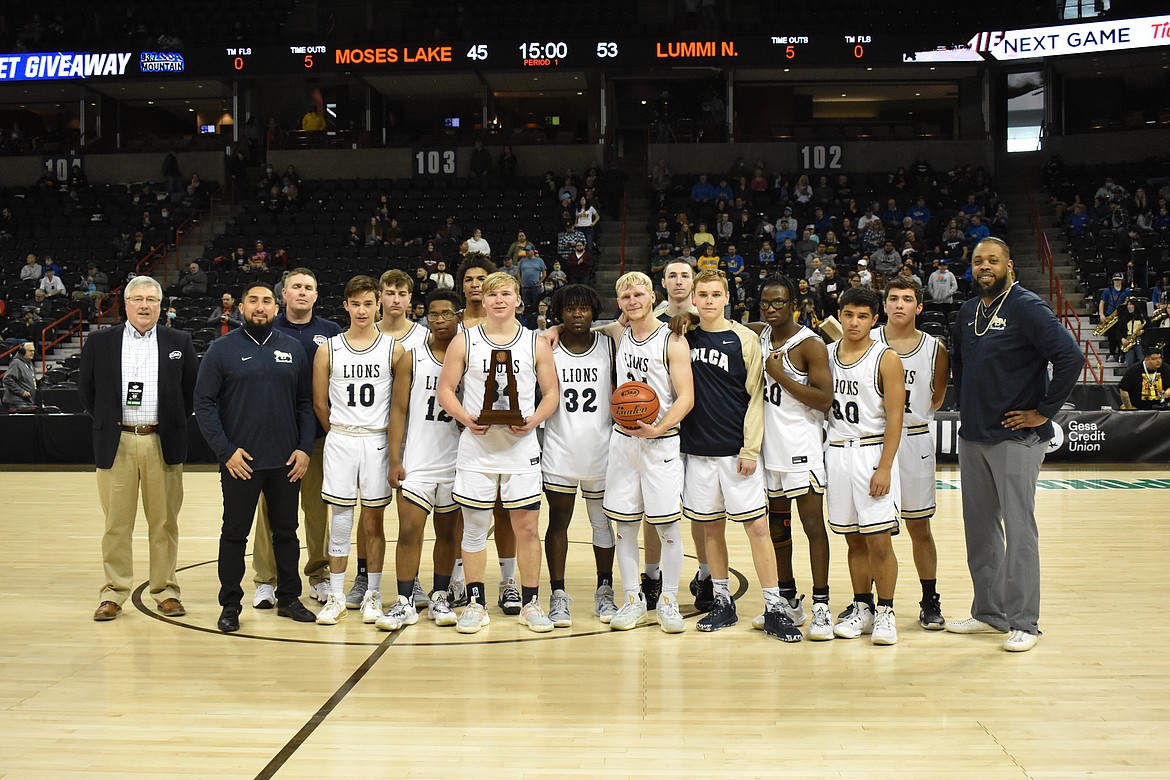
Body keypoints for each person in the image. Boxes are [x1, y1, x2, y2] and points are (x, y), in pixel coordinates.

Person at [948, 237, 1083, 652]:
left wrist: (1043, 411)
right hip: (973, 435)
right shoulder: (969, 312)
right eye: (977, 261)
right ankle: (989, 612)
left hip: (1016, 437)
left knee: (1020, 530)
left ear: (1009, 266)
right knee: (980, 530)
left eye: (993, 260)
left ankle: (1025, 621)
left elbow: (1070, 356)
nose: (984, 266)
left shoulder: (1026, 305)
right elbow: (961, 368)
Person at [678, 270, 800, 641]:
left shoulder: (745, 339)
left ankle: (775, 606)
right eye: (704, 294)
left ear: (727, 296)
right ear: (694, 299)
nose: (710, 300)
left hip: (737, 452)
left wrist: (750, 448)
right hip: (697, 451)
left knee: (757, 527)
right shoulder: (683, 336)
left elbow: (755, 399)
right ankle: (721, 601)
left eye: (717, 293)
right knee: (710, 527)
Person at [437, 272, 561, 634]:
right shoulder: (465, 340)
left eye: (506, 293)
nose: (499, 300)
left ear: (518, 299)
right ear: (484, 301)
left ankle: (530, 603)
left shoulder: (535, 342)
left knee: (526, 528)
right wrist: (465, 418)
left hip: (521, 448)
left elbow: (551, 392)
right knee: (474, 527)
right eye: (492, 295)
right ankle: (476, 603)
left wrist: (534, 420)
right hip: (477, 448)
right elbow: (446, 389)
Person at [194, 282, 317, 633]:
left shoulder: (292, 349)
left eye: (266, 301)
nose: (260, 307)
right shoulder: (221, 350)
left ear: (276, 309)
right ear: (240, 308)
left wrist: (304, 449)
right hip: (241, 462)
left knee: (287, 533)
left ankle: (290, 597)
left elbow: (305, 403)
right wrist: (226, 450)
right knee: (234, 534)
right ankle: (230, 604)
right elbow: (203, 404)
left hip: (285, 463)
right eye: (253, 301)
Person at [78, 276, 198, 621]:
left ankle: (165, 591)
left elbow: (189, 391)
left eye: (151, 299)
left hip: (162, 441)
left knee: (164, 523)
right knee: (116, 523)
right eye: (138, 299)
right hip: (117, 442)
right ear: (125, 304)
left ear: (161, 305)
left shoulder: (179, 340)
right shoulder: (101, 342)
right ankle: (114, 592)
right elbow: (87, 392)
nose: (145, 305)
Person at [594, 272, 694, 633]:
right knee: (624, 528)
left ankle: (667, 599)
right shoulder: (618, 335)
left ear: (653, 296)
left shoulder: (672, 340)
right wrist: (554, 329)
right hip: (623, 443)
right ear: (618, 303)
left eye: (638, 294)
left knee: (667, 526)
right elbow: (591, 328)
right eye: (625, 297)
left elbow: (686, 396)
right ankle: (633, 599)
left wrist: (661, 426)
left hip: (661, 443)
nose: (632, 301)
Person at [312, 276, 401, 627]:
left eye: (368, 303)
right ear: (345, 306)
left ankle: (373, 595)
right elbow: (320, 404)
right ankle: (335, 595)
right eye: (356, 304)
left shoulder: (393, 349)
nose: (362, 310)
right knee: (341, 521)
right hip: (342, 438)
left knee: (373, 521)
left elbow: (399, 404)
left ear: (377, 305)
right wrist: (339, 433)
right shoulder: (328, 349)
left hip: (377, 439)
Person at [250, 269, 342, 610]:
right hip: (271, 440)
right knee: (268, 513)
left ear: (316, 295)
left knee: (317, 510)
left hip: (316, 439)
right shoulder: (266, 330)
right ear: (283, 295)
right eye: (296, 287)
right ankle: (265, 580)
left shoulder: (331, 333)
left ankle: (318, 575)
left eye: (309, 288)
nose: (302, 293)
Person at [755, 275, 835, 640]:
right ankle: (788, 599)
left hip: (801, 448)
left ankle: (821, 605)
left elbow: (824, 399)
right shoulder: (760, 337)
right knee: (777, 529)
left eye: (779, 303)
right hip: (770, 450)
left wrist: (780, 375)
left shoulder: (810, 344)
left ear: (793, 305)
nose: (772, 309)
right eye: (766, 304)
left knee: (813, 526)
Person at [826, 286, 906, 646]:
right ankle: (863, 607)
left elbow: (895, 418)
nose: (854, 322)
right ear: (839, 314)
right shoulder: (827, 354)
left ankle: (887, 612)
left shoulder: (886, 358)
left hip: (872, 452)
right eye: (848, 314)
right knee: (852, 539)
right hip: (837, 452)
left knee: (878, 541)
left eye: (862, 316)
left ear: (875, 320)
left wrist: (885, 467)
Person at [384, 289, 465, 629]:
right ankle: (404, 600)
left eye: (447, 313)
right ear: (425, 317)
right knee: (410, 530)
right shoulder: (411, 358)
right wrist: (393, 458)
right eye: (433, 314)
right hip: (417, 459)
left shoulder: (470, 356)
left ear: (459, 315)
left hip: (456, 460)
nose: (440, 320)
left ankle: (441, 596)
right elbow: (398, 410)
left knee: (448, 535)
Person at [873, 277, 951, 629]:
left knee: (919, 527)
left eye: (907, 299)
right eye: (893, 298)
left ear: (919, 307)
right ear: (884, 305)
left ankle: (929, 598)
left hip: (915, 439)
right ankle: (871, 602)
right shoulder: (867, 340)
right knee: (871, 529)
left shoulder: (935, 348)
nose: (900, 304)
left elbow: (937, 397)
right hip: (874, 442)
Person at [541, 284, 617, 626]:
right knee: (559, 522)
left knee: (602, 522)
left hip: (602, 449)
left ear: (593, 311)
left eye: (583, 308)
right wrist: (550, 330)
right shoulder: (546, 347)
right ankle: (558, 594)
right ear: (560, 312)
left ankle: (605, 590)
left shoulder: (609, 344)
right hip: (559, 448)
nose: (576, 314)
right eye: (570, 309)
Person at [454, 254, 520, 612]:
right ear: (461, 284)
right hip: (458, 427)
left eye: (483, 278)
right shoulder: (453, 326)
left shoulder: (511, 324)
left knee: (504, 510)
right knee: (460, 511)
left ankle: (508, 581)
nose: (476, 284)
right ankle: (457, 576)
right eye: (469, 279)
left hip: (503, 430)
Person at [1118, 344, 1170, 410]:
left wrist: (1167, 393)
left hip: (1161, 408)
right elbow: (1123, 388)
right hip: (1139, 409)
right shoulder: (1134, 370)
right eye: (1154, 359)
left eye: (1160, 358)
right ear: (1146, 360)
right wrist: (1129, 407)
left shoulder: (1166, 368)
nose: (1158, 361)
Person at [1099, 273, 1132, 362]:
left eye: (1118, 280)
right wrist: (1101, 314)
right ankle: (1112, 354)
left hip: (1122, 316)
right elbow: (1102, 302)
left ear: (1122, 281)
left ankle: (1122, 355)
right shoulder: (1107, 291)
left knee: (1122, 336)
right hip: (1110, 316)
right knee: (1111, 337)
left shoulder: (1126, 291)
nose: (1117, 282)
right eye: (1115, 280)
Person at [3, 341, 37, 410]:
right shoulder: (16, 363)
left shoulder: (30, 364)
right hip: (17, 401)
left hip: (27, 401)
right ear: (23, 352)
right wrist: (21, 392)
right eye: (30, 351)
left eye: (33, 351)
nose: (33, 353)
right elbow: (7, 379)